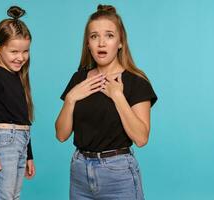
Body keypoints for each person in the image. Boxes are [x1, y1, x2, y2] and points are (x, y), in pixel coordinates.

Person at [55, 4, 157, 200]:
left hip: (118, 174)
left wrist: (118, 95)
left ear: (120, 42)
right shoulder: (78, 79)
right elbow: (61, 135)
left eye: (109, 35)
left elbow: (142, 138)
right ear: (88, 44)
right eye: (94, 36)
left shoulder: (136, 82)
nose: (101, 43)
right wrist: (70, 99)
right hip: (80, 172)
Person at [0, 6, 35, 199]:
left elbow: (23, 118)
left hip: (21, 139)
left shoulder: (19, 77)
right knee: (5, 196)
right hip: (5, 141)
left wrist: (29, 155)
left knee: (14, 196)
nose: (20, 57)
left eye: (25, 51)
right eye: (14, 51)